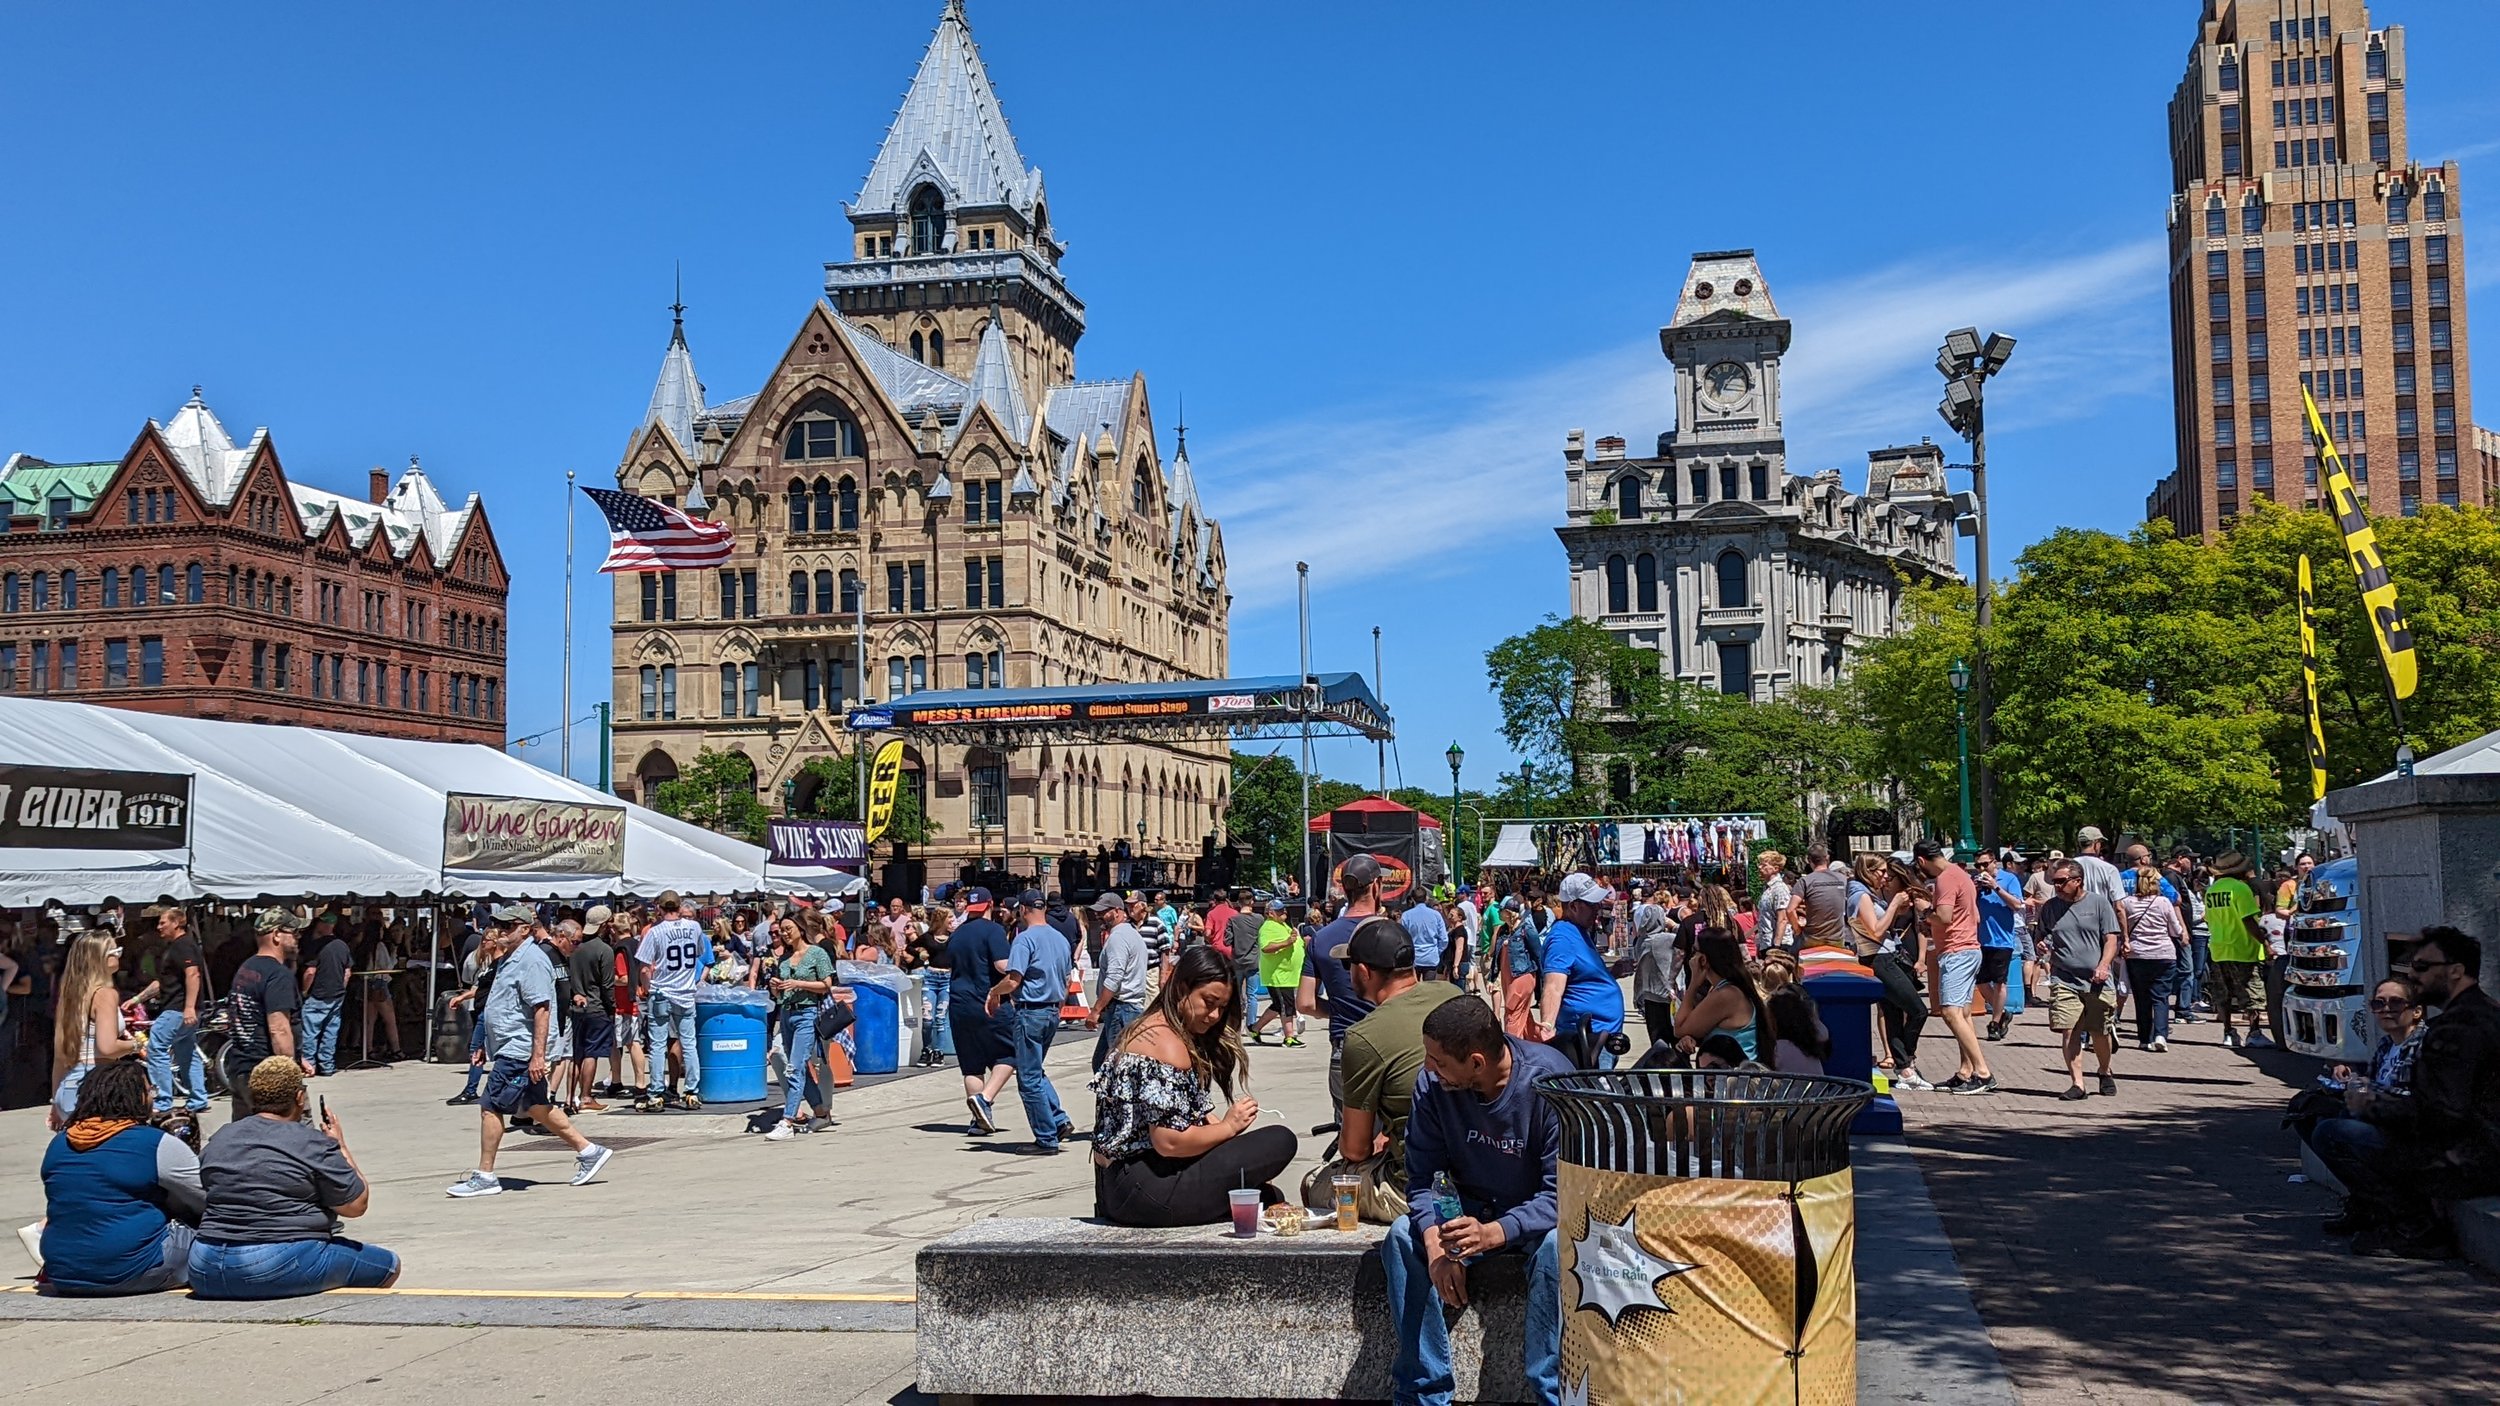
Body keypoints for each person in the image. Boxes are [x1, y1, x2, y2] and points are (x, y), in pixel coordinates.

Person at [1388, 995, 1565, 1406]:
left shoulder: (1550, 1083)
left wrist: (1495, 1233)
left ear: (1477, 1063)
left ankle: (1552, 1392)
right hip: (1467, 1212)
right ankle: (1423, 1392)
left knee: (1559, 1249)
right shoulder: (1432, 1085)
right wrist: (1436, 1242)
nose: (1429, 1068)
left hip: (1534, 1220)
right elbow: (1424, 1176)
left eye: (1440, 1061)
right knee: (1402, 1237)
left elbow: (1565, 1194)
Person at [2309, 927, 2500, 1258]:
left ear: (2456, 971)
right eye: (2412, 965)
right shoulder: (2473, 1015)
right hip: (2471, 1147)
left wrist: (2375, 1105)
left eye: (2423, 967)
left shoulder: (2461, 1028)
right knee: (2324, 1112)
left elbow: (2444, 1115)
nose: (2413, 974)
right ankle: (2372, 1211)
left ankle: (2417, 1228)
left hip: (2474, 1159)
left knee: (2335, 1132)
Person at [1090, 946, 1296, 1226]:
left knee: (1265, 1195)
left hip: (1116, 1186)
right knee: (1280, 1141)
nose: (1214, 1015)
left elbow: (1195, 1113)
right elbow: (1169, 1142)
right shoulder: (1167, 1045)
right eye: (1209, 1002)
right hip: (1146, 1189)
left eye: (1222, 1008)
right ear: (1182, 987)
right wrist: (1229, 1127)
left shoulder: (1147, 1027)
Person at [188, 1056, 399, 1298]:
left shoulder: (222, 1137)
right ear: (299, 1098)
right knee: (388, 1265)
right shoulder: (311, 1142)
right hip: (273, 1262)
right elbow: (355, 1206)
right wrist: (340, 1146)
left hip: (204, 1264)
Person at [444, 908, 615, 1198]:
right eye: (496, 924)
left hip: (520, 1049)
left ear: (525, 929)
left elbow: (542, 1009)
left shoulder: (533, 961)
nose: (499, 930)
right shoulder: (510, 958)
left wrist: (538, 1056)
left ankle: (485, 1175)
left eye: (507, 926)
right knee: (536, 1106)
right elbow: (502, 1004)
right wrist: (485, 1043)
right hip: (510, 1045)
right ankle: (589, 1151)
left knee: (491, 1106)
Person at [1329, 917, 1461, 1215]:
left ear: (1363, 971)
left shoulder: (1364, 1036)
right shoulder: (1452, 995)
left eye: (1347, 966)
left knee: (1322, 1184)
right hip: (1477, 1175)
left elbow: (1355, 1148)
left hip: (1417, 1188)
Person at [38, 1060, 202, 1295]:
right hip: (131, 1270)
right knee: (213, 1233)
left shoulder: (59, 1144)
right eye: (148, 1091)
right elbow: (206, 1200)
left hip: (64, 1273)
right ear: (134, 1098)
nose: (152, 1098)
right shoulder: (154, 1143)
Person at [2291, 977, 2424, 1163]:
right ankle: (2362, 1187)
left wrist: (2369, 1094)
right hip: (2375, 1115)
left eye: (2396, 1002)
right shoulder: (2386, 1044)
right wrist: (2353, 1084)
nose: (2386, 1009)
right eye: (2379, 1004)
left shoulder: (2423, 1045)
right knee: (2306, 1108)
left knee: (2329, 1131)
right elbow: (2370, 1082)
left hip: (2403, 1130)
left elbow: (2413, 1097)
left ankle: (2380, 1189)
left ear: (2416, 1011)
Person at [986, 893, 1075, 1155]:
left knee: (1028, 1079)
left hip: (1031, 1011)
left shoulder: (1024, 940)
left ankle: (1046, 1138)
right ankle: (1058, 1120)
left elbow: (1013, 980)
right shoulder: (1059, 939)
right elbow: (1068, 979)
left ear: (1023, 910)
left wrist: (994, 992)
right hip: (1051, 1012)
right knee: (1035, 1070)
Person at [1303, 857, 1387, 1115]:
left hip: (1345, 1047)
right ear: (1377, 886)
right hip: (1388, 1046)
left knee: (1350, 1140)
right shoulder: (1389, 934)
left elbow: (1305, 1003)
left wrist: (1339, 1009)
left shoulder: (1321, 939)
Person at [2037, 859, 2122, 1101]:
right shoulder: (2051, 907)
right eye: (2054, 882)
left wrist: (2104, 965)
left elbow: (2111, 939)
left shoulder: (2098, 903)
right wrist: (2041, 943)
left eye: (2062, 882)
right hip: (2064, 977)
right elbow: (2042, 936)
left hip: (2097, 980)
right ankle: (2078, 1084)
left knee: (2099, 1031)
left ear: (2078, 881)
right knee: (2069, 1030)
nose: (2057, 886)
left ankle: (2105, 1071)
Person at [1917, 840, 1994, 1094]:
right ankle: (1966, 1070)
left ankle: (1982, 1072)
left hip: (1956, 951)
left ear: (1921, 861)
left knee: (1950, 1012)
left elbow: (1945, 917)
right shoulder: (1962, 875)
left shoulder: (1945, 879)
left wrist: (1925, 912)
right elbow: (1976, 916)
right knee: (1963, 1013)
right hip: (1969, 948)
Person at [1849, 855, 1927, 1089]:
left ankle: (1904, 1069)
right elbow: (1875, 930)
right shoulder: (1860, 895)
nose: (1885, 876)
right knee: (1918, 1010)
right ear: (1868, 871)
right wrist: (1893, 906)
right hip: (1879, 959)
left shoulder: (1867, 894)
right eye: (1881, 872)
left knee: (1893, 1015)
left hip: (1883, 955)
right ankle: (1907, 1061)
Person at [1534, 872, 1626, 1067]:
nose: (1598, 909)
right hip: (1587, 1042)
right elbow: (1553, 987)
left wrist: (1613, 974)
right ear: (1574, 906)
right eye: (1592, 904)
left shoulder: (1578, 933)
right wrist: (1547, 1025)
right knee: (1598, 1094)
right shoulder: (1562, 939)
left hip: (1602, 1038)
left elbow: (1581, 979)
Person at [51, 932, 142, 1128]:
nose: (119, 955)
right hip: (96, 1084)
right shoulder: (105, 995)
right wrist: (137, 1045)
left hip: (68, 1085)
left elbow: (60, 1055)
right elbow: (108, 1047)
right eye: (115, 950)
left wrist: (54, 1102)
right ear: (98, 958)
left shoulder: (71, 997)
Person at [948, 888, 1019, 1136]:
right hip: (989, 1002)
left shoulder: (957, 934)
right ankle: (985, 1099)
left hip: (959, 1004)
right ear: (991, 905)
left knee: (971, 1066)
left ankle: (978, 1120)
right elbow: (1002, 965)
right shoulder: (993, 931)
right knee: (1011, 1053)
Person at [762, 916, 840, 1140]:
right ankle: (821, 1112)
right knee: (800, 1068)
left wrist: (799, 983)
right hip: (787, 1013)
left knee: (794, 1068)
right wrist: (776, 988)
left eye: (788, 929)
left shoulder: (816, 953)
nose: (784, 934)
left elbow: (826, 984)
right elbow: (780, 992)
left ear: (800, 929)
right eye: (780, 931)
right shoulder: (785, 959)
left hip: (807, 1013)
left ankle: (787, 1121)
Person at [633, 891, 712, 1111]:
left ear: (659, 907)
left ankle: (656, 1093)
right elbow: (698, 953)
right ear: (679, 906)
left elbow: (645, 967)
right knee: (689, 1043)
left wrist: (648, 987)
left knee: (657, 1045)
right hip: (685, 992)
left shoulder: (655, 932)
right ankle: (691, 1092)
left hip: (661, 991)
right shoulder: (694, 927)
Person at [143, 904, 211, 1118]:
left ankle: (163, 1101)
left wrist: (189, 1007)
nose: (159, 926)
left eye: (163, 922)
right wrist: (137, 999)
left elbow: (193, 974)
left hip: (178, 1009)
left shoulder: (183, 946)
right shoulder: (174, 948)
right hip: (182, 1008)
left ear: (177, 923)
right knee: (186, 1050)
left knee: (156, 1046)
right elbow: (161, 983)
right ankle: (198, 1098)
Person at [2204, 851, 2273, 1049]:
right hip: (2244, 949)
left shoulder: (2212, 890)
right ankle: (2254, 1032)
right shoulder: (2240, 889)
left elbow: (2210, 919)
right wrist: (2264, 942)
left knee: (2224, 994)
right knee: (2253, 994)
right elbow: (2248, 920)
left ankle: (2228, 1032)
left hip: (2219, 948)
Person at [2117, 866, 2187, 1052]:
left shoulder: (2127, 902)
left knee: (2141, 998)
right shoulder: (2163, 902)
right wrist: (2181, 933)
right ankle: (2160, 1035)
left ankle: (2144, 1038)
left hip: (2137, 954)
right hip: (2163, 954)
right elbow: (2175, 930)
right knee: (2161, 996)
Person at [1672, 930, 1766, 1063]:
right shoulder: (1727, 988)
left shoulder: (1726, 995)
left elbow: (1679, 1028)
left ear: (1703, 959)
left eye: (1694, 951)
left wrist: (1693, 985)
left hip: (1736, 1077)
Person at [1086, 891, 1149, 1073]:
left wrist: (1095, 1011)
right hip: (1126, 1008)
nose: (1098, 915)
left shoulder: (1118, 938)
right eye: (1097, 911)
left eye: (1104, 911)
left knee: (1116, 1069)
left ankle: (1116, 1101)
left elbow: (1114, 978)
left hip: (1122, 1010)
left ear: (1117, 911)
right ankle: (1109, 1100)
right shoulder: (1130, 934)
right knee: (1102, 1064)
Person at [1972, 849, 2025, 1042]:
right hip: (1980, 939)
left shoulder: (2009, 879)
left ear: (1995, 863)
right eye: (1978, 865)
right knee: (1981, 982)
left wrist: (1995, 887)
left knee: (1999, 981)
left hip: (2002, 940)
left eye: (1985, 864)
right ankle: (2002, 1013)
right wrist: (1975, 890)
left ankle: (1994, 1023)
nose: (1981, 869)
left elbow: (2017, 905)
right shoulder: (1975, 882)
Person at [568, 911, 617, 1113]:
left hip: (576, 1007)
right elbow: (607, 985)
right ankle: (586, 1096)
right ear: (605, 924)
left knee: (576, 1054)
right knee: (591, 1053)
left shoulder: (575, 948)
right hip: (597, 1007)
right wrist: (612, 1007)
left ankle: (571, 1097)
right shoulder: (604, 950)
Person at [298, 917, 353, 1078]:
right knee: (331, 1032)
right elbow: (347, 973)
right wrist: (341, 989)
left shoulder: (317, 946)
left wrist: (304, 991)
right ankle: (327, 1066)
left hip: (318, 994)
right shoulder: (343, 946)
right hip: (336, 995)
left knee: (310, 1032)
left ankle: (309, 1065)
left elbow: (310, 972)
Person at [1250, 899, 1305, 1047]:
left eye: (1284, 910)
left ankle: (1255, 1029)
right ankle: (1289, 1037)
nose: (1284, 913)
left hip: (1286, 975)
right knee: (1287, 1005)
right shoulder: (1268, 927)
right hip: (1278, 975)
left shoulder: (1282, 925)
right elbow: (1266, 947)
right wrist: (1287, 942)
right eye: (1280, 911)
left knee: (1278, 1005)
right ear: (1271, 913)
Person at [2166, 848, 2211, 1026]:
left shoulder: (2178, 878)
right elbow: (2174, 905)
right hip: (2179, 931)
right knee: (2187, 970)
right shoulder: (2171, 877)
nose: (2191, 863)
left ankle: (2183, 1008)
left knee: (2187, 970)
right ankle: (2183, 1010)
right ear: (2180, 858)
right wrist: (2182, 929)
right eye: (2189, 860)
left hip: (2183, 931)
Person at [1630, 888, 1678, 1053]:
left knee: (1657, 1039)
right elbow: (1686, 935)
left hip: (1649, 995)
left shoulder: (1640, 942)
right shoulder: (1665, 939)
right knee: (1674, 1037)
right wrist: (1673, 925)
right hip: (1667, 995)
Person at [911, 905, 956, 1067]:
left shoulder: (953, 937)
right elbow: (910, 947)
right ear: (941, 920)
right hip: (930, 977)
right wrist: (920, 954)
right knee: (927, 1017)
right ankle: (926, 1049)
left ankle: (939, 1051)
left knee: (940, 1017)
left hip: (947, 978)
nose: (952, 921)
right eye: (949, 918)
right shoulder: (928, 937)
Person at [359, 922, 406, 1062]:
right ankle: (396, 1049)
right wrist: (394, 953)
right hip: (380, 983)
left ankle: (367, 1050)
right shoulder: (379, 946)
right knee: (390, 1019)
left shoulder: (364, 946)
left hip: (367, 983)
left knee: (369, 1020)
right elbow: (387, 966)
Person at [1400, 893, 1450, 978]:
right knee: (1430, 989)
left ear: (1413, 899)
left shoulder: (1406, 915)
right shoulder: (1436, 915)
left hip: (1414, 958)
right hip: (1431, 957)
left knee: (1414, 989)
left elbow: (1402, 938)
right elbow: (1444, 939)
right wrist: (1437, 951)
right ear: (1426, 898)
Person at [1754, 850, 1794, 951]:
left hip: (1778, 946)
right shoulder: (1767, 888)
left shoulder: (1779, 889)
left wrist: (1776, 946)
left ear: (1775, 869)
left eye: (1764, 865)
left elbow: (1783, 919)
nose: (1759, 867)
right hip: (1767, 943)